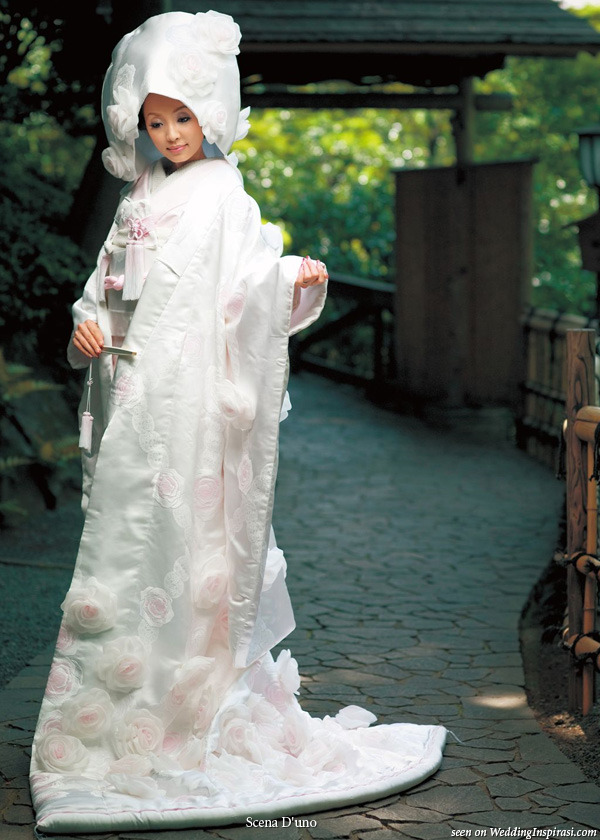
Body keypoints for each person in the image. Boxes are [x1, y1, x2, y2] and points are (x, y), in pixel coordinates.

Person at [29, 10, 447, 834]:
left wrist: (295, 280)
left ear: (213, 111)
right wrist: (88, 326)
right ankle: (97, 728)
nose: (171, 132)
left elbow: (253, 286)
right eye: (155, 120)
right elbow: (104, 293)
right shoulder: (135, 200)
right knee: (120, 548)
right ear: (136, 125)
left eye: (184, 115)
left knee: (186, 547)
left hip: (190, 407)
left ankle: (179, 717)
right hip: (134, 400)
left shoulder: (227, 194)